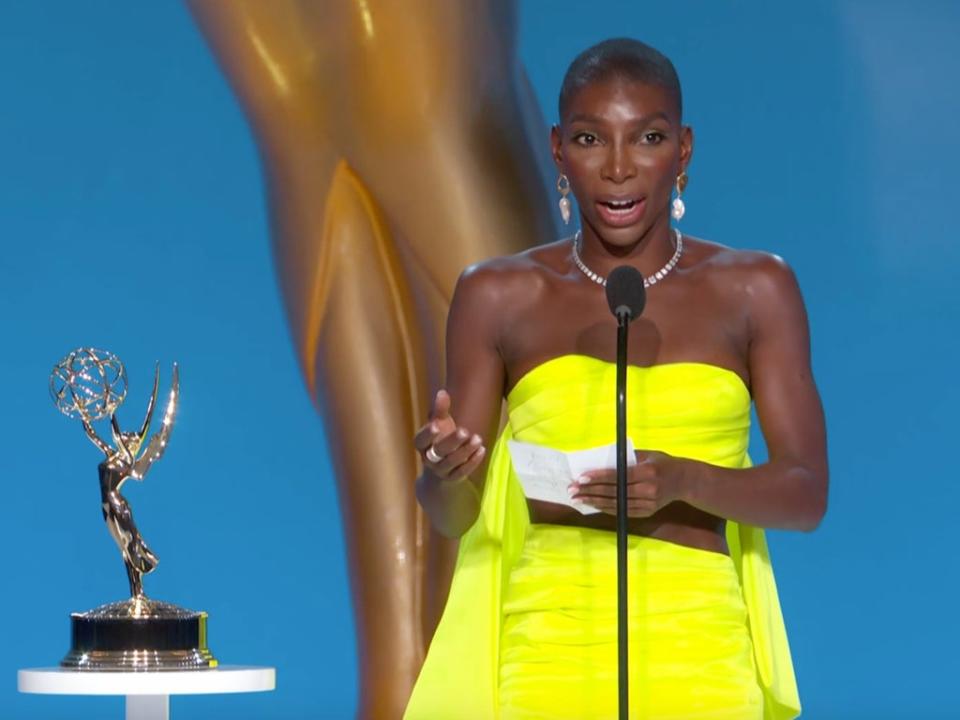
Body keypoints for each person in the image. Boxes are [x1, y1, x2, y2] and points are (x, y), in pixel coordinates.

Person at [406, 38, 827, 719]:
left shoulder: (757, 288)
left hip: (702, 657)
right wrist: (442, 472)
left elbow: (806, 494)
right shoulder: (498, 293)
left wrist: (685, 481)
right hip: (549, 655)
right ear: (557, 152)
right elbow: (454, 515)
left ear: (683, 152)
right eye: (590, 139)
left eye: (649, 137)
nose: (620, 168)